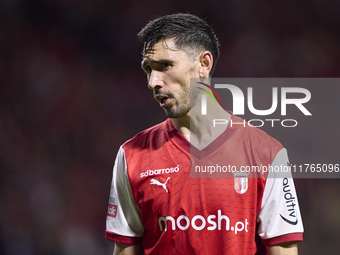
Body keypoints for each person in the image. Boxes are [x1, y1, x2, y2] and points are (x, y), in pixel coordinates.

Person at [105, 13, 303, 255]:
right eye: (148, 69)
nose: (152, 81)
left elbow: (283, 249)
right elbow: (125, 248)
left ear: (203, 64)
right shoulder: (132, 155)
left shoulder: (266, 154)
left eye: (165, 66)